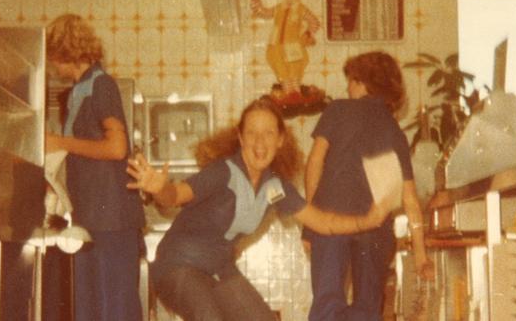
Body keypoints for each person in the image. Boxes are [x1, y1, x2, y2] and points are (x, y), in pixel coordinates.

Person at [126, 97, 400, 321]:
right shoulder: (223, 172)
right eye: (252, 133)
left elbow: (322, 222)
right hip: (178, 267)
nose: (260, 142)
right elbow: (175, 195)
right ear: (240, 138)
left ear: (281, 140)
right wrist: (158, 188)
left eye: (269, 133)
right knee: (208, 317)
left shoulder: (274, 187)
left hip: (219, 269)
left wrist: (368, 221)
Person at [303, 51, 434, 321]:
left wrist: (311, 222)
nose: (348, 87)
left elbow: (314, 163)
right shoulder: (393, 129)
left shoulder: (337, 109)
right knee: (367, 309)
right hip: (374, 229)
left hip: (331, 220)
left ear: (363, 82)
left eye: (351, 81)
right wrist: (421, 255)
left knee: (327, 303)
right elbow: (409, 197)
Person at [45, 14, 144, 321]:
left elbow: (116, 147)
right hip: (93, 219)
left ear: (65, 53)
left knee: (112, 310)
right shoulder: (78, 92)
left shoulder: (101, 86)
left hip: (111, 221)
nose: (52, 67)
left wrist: (61, 143)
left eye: (53, 58)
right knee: (92, 310)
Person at [251, 0, 321, 98]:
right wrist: (256, 1)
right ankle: (288, 96)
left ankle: (295, 95)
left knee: (294, 73)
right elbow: (263, 13)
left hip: (293, 46)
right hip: (276, 46)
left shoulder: (301, 9)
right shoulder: (279, 8)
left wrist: (307, 35)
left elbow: (315, 22)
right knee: (282, 73)